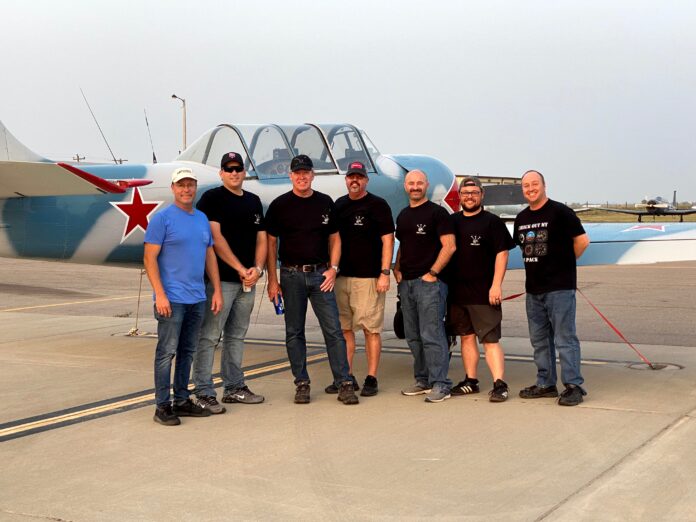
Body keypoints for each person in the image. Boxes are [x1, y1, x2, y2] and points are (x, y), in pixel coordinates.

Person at [265, 154, 359, 405]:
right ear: (290, 176)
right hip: (291, 275)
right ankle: (302, 383)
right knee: (294, 332)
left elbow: (335, 238)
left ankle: (344, 382)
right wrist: (272, 281)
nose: (302, 176)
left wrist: (334, 268)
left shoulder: (325, 203)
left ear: (313, 175)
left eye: (306, 172)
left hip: (321, 276)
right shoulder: (280, 205)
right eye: (297, 172)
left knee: (334, 330)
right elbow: (270, 243)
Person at [144, 167, 223, 426]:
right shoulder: (162, 218)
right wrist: (160, 294)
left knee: (188, 350)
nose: (186, 189)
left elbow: (209, 255)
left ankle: (181, 399)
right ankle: (162, 406)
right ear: (173, 188)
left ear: (195, 187)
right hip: (172, 298)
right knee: (166, 352)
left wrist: (217, 290)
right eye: (181, 185)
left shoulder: (201, 218)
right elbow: (149, 258)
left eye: (190, 185)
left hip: (197, 297)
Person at [191, 152, 267, 414]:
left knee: (236, 335)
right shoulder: (212, 199)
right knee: (210, 335)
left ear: (244, 172)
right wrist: (240, 269)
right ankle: (203, 391)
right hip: (220, 281)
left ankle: (234, 387)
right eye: (229, 169)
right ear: (221, 173)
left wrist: (257, 269)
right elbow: (215, 238)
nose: (234, 173)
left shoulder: (254, 201)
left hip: (248, 281)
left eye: (238, 169)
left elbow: (262, 238)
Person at [514, 170, 590, 406]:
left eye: (534, 184)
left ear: (544, 185)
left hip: (559, 289)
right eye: (526, 186)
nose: (530, 189)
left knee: (565, 338)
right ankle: (546, 383)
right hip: (534, 290)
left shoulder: (561, 212)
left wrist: (564, 266)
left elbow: (582, 241)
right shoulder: (521, 218)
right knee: (539, 340)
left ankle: (573, 385)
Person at [446, 177, 515, 402]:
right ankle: (471, 381)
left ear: (482, 195)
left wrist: (496, 285)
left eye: (474, 193)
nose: (470, 196)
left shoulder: (492, 222)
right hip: (457, 294)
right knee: (466, 338)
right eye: (466, 193)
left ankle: (499, 383)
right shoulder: (452, 221)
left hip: (484, 293)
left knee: (489, 340)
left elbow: (502, 254)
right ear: (460, 196)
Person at [329, 161, 394, 397]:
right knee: (345, 329)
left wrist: (384, 273)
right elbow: (332, 240)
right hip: (341, 278)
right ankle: (346, 378)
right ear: (346, 180)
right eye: (351, 177)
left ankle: (371, 377)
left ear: (366, 180)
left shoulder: (378, 205)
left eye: (359, 177)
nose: (354, 181)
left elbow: (388, 239)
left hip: (369, 279)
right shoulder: (339, 205)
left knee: (370, 330)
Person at [393, 170, 456, 403]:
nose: (415, 187)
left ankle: (441, 383)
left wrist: (432, 273)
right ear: (405, 186)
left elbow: (449, 246)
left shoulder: (438, 214)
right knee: (413, 336)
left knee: (432, 334)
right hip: (406, 284)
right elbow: (403, 245)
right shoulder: (403, 215)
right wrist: (396, 268)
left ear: (426, 185)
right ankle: (423, 380)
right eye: (411, 183)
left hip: (429, 284)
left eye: (420, 183)